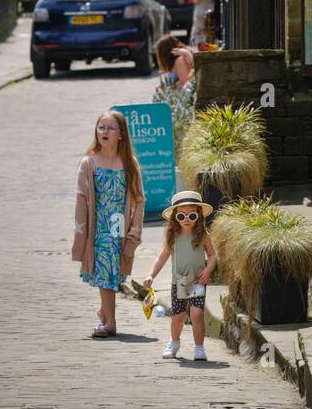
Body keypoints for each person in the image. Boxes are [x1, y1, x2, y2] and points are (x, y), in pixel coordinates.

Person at [71, 109, 145, 338]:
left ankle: (104, 311)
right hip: (98, 228)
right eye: (101, 127)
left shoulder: (129, 163)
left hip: (119, 227)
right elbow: (82, 199)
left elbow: (139, 199)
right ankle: (111, 323)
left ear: (121, 134)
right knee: (104, 271)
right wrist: (81, 235)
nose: (104, 131)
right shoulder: (89, 162)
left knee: (113, 274)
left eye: (110, 128)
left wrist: (134, 235)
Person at [144, 190, 216, 361]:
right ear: (174, 217)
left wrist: (208, 270)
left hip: (197, 280)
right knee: (178, 316)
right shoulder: (173, 236)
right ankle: (174, 343)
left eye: (191, 216)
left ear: (198, 215)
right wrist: (151, 276)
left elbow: (212, 255)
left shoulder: (202, 234)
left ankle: (199, 348)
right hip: (179, 281)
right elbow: (161, 257)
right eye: (181, 217)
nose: (186, 220)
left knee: (197, 314)